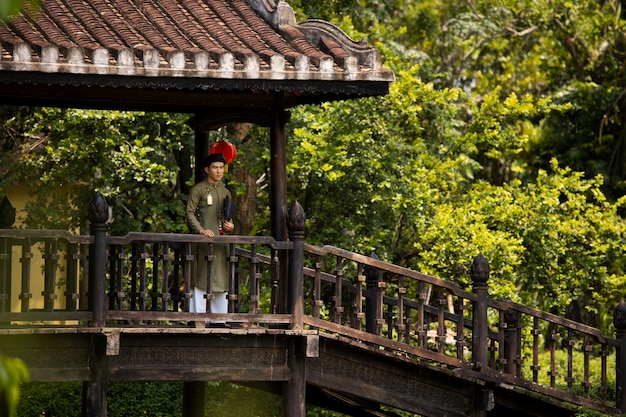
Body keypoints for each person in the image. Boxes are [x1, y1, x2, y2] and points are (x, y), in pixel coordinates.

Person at [186, 153, 234, 325]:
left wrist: (231, 226)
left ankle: (219, 320)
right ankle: (197, 319)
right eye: (215, 167)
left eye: (222, 167)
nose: (219, 171)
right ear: (207, 169)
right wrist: (200, 230)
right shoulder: (198, 189)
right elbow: (190, 213)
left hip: (221, 244)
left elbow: (227, 217)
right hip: (203, 243)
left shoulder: (225, 192)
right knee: (201, 277)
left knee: (221, 279)